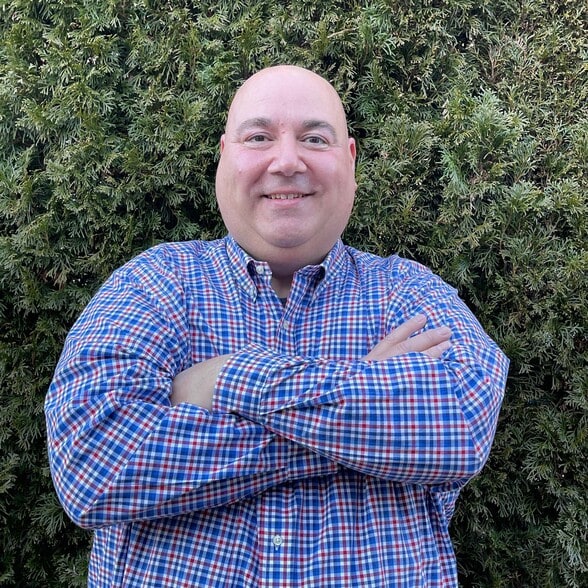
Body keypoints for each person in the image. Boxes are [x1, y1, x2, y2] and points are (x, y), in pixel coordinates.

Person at [45, 65, 509, 587]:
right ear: (225, 156)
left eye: (314, 138)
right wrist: (361, 396)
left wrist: (225, 378)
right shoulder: (154, 283)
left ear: (350, 160)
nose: (287, 161)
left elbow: (459, 423)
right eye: (259, 137)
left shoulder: (409, 291)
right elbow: (92, 466)